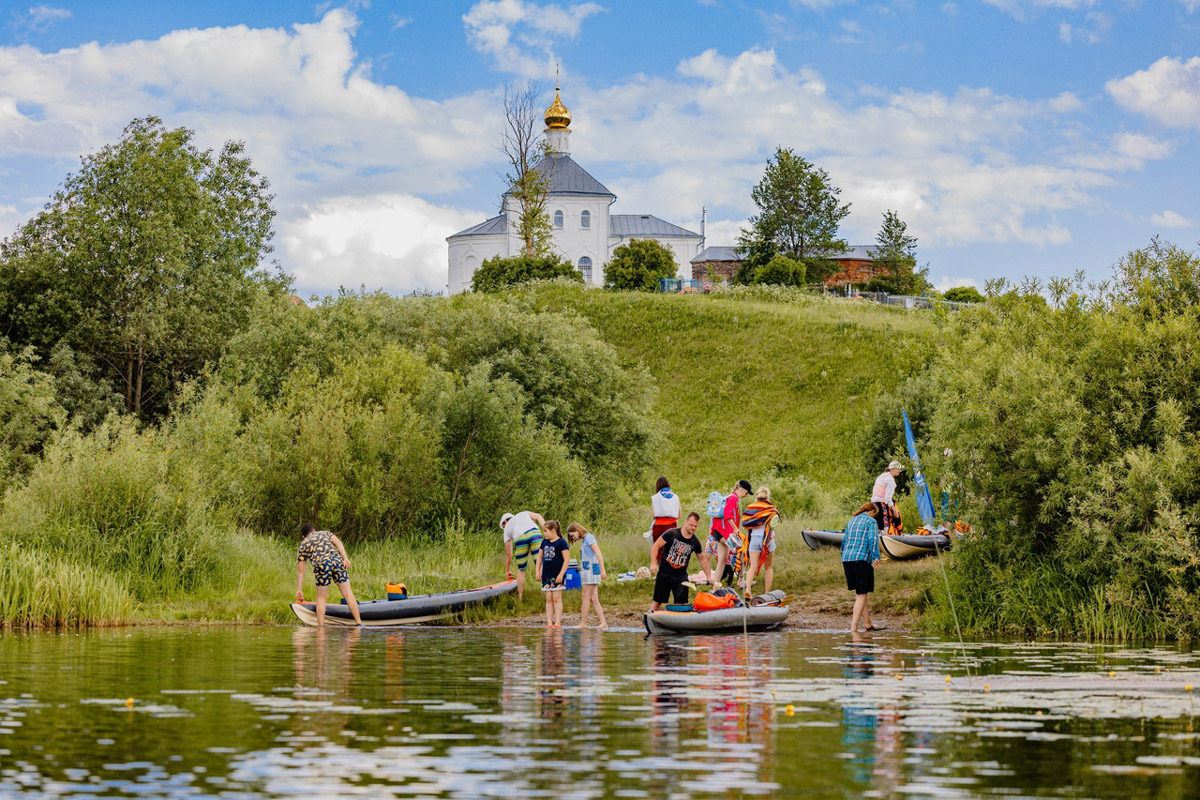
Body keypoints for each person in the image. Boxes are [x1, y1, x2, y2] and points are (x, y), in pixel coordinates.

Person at [294, 523, 362, 627]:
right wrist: (345, 558)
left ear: (303, 536)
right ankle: (359, 623)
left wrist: (299, 589)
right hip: (337, 561)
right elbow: (338, 543)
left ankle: (320, 627)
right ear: (314, 530)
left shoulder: (303, 544)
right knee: (348, 594)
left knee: (321, 598)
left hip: (322, 565)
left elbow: (301, 570)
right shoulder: (325, 533)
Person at [650, 512, 713, 611]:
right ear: (685, 522)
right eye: (691, 525)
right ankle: (649, 618)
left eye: (695, 526)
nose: (693, 528)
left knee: (680, 604)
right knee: (658, 600)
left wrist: (708, 576)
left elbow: (702, 559)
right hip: (664, 573)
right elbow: (656, 546)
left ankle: (677, 623)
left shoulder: (695, 542)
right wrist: (653, 563)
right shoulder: (672, 533)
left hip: (681, 576)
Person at [843, 502, 884, 634]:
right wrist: (876, 557)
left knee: (862, 591)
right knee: (861, 595)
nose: (875, 516)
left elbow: (845, 541)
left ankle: (867, 623)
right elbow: (873, 540)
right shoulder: (871, 521)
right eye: (875, 514)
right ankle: (853, 630)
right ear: (871, 511)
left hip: (847, 558)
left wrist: (842, 556)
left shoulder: (851, 521)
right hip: (861, 559)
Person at [707, 479, 751, 587]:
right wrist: (735, 528)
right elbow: (727, 514)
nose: (746, 495)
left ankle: (715, 588)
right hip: (724, 533)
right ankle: (741, 580)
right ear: (741, 489)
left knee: (722, 560)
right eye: (746, 493)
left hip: (718, 532)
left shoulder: (729, 497)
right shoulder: (733, 498)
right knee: (740, 550)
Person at [741, 486, 779, 597]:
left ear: (757, 496)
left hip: (753, 539)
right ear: (768, 496)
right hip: (767, 540)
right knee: (768, 567)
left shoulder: (750, 508)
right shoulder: (771, 509)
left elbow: (745, 524)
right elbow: (773, 525)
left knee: (752, 566)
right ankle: (767, 593)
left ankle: (748, 589)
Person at [568, 522, 607, 628]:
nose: (574, 538)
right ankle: (603, 622)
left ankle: (583, 623)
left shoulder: (589, 538)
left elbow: (598, 553)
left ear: (577, 530)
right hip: (587, 571)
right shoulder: (585, 540)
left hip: (591, 571)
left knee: (585, 596)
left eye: (573, 535)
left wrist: (603, 570)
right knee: (593, 598)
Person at [501, 510, 546, 600]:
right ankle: (548, 594)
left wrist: (507, 570)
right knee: (542, 562)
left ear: (504, 522)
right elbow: (538, 515)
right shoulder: (523, 513)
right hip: (534, 533)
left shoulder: (506, 529)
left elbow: (508, 554)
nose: (504, 527)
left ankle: (520, 598)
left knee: (521, 570)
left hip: (519, 537)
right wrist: (546, 528)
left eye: (503, 526)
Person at [537, 520, 570, 628]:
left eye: (546, 531)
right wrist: (537, 571)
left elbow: (566, 559)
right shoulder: (544, 542)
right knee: (549, 598)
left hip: (557, 575)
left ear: (553, 530)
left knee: (556, 598)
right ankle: (549, 622)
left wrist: (561, 574)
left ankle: (558, 622)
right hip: (546, 574)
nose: (544, 533)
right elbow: (540, 557)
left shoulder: (561, 542)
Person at [871, 461, 904, 534]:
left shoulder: (882, 476)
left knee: (875, 526)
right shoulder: (890, 480)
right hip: (882, 505)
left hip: (874, 503)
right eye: (897, 469)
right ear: (892, 469)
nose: (899, 471)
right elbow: (888, 499)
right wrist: (894, 510)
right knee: (884, 527)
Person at [650, 476, 681, 546]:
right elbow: (679, 515)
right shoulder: (675, 497)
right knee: (671, 550)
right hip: (672, 526)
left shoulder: (655, 497)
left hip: (659, 526)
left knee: (658, 550)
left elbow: (653, 515)